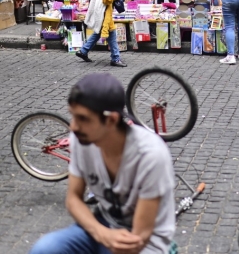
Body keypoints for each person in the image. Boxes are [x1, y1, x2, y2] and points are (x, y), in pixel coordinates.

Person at [29, 73, 176, 254]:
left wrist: (106, 237)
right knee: (45, 249)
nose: (73, 127)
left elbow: (140, 237)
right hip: (102, 227)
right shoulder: (81, 139)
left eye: (83, 119)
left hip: (144, 242)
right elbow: (73, 199)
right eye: (72, 116)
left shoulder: (151, 155)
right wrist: (101, 233)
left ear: (111, 120)